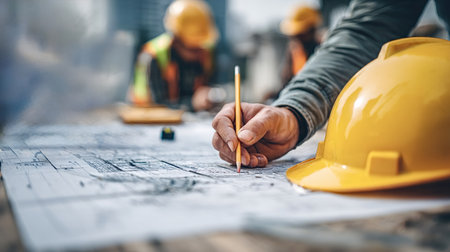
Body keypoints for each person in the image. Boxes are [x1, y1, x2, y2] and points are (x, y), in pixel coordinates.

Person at [212, 0, 450, 168]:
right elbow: (365, 29)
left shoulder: (317, 39)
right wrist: (293, 112)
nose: (298, 39)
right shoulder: (293, 52)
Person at [129, 0, 218, 111]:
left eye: (199, 45)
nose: (197, 52)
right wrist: (192, 103)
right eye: (192, 48)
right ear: (177, 39)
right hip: (146, 121)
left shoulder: (204, 54)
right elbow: (157, 105)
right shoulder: (154, 56)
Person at [279, 6, 322, 88]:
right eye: (295, 35)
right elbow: (286, 81)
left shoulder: (323, 49)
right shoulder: (294, 50)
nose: (296, 38)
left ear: (311, 29)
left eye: (300, 34)